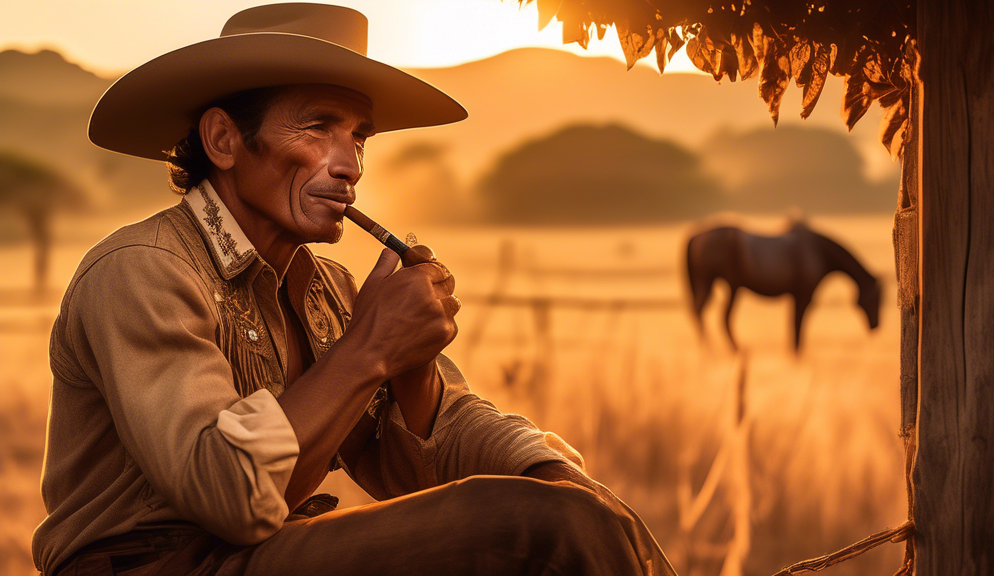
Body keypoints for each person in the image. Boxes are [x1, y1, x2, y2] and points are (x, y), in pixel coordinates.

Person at [33, 4, 676, 575]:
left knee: (569, 506)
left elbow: (433, 447)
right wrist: (369, 348)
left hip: (265, 552)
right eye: (318, 128)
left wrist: (547, 471)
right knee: (544, 531)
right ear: (224, 140)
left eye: (358, 135)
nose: (350, 165)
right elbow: (228, 495)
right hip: (153, 565)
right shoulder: (142, 270)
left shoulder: (330, 290)